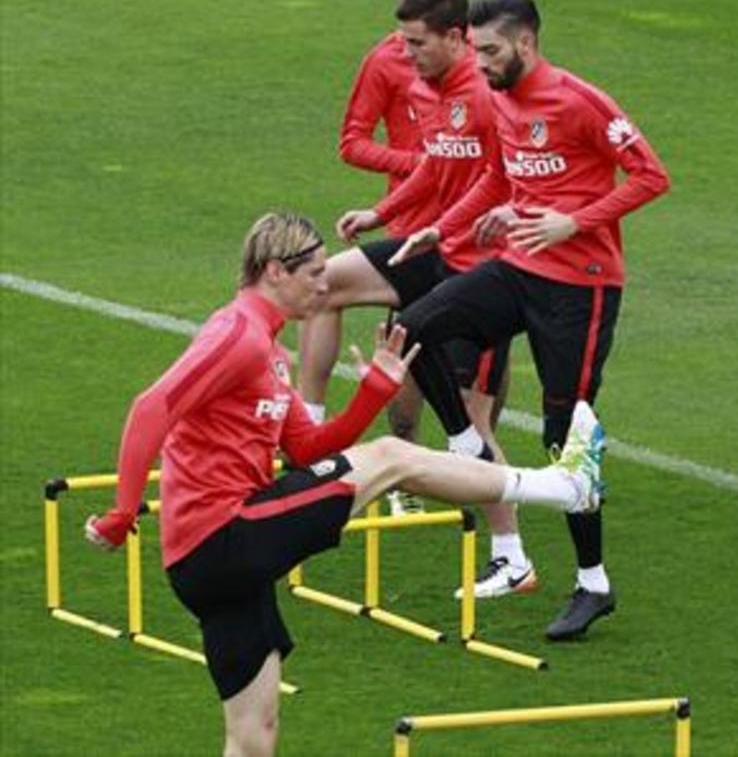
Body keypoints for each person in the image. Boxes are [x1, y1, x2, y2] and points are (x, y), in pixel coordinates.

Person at [83, 212, 606, 757]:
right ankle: (564, 486)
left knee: (253, 735)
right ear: (273, 272)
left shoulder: (268, 351)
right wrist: (122, 514)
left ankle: (565, 485)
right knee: (391, 456)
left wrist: (375, 391)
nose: (325, 282)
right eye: (312, 271)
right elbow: (150, 408)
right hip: (222, 536)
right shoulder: (235, 333)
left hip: (217, 565)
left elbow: (309, 449)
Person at [391, 0, 670, 637]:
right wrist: (445, 226)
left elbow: (650, 176)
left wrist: (575, 220)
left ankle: (592, 582)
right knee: (416, 323)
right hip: (519, 267)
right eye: (476, 50)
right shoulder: (496, 98)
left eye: (490, 51)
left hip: (582, 284)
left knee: (564, 435)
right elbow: (499, 175)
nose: (479, 63)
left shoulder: (579, 100)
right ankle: (465, 438)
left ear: (526, 43)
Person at [301, 0, 523, 589]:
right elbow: (435, 164)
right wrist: (382, 213)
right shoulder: (430, 90)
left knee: (472, 425)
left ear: (456, 38)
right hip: (429, 245)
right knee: (321, 286)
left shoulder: (484, 97)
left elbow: (501, 179)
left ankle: (512, 553)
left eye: (416, 43)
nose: (405, 56)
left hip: (480, 271)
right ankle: (309, 432)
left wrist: (454, 225)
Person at [302, 0, 451, 477]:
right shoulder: (385, 61)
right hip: (409, 227)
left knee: (480, 372)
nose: (411, 44)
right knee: (402, 358)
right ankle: (315, 433)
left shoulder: (478, 72)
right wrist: (416, 165)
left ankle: (478, 481)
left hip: (468, 235)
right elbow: (352, 142)